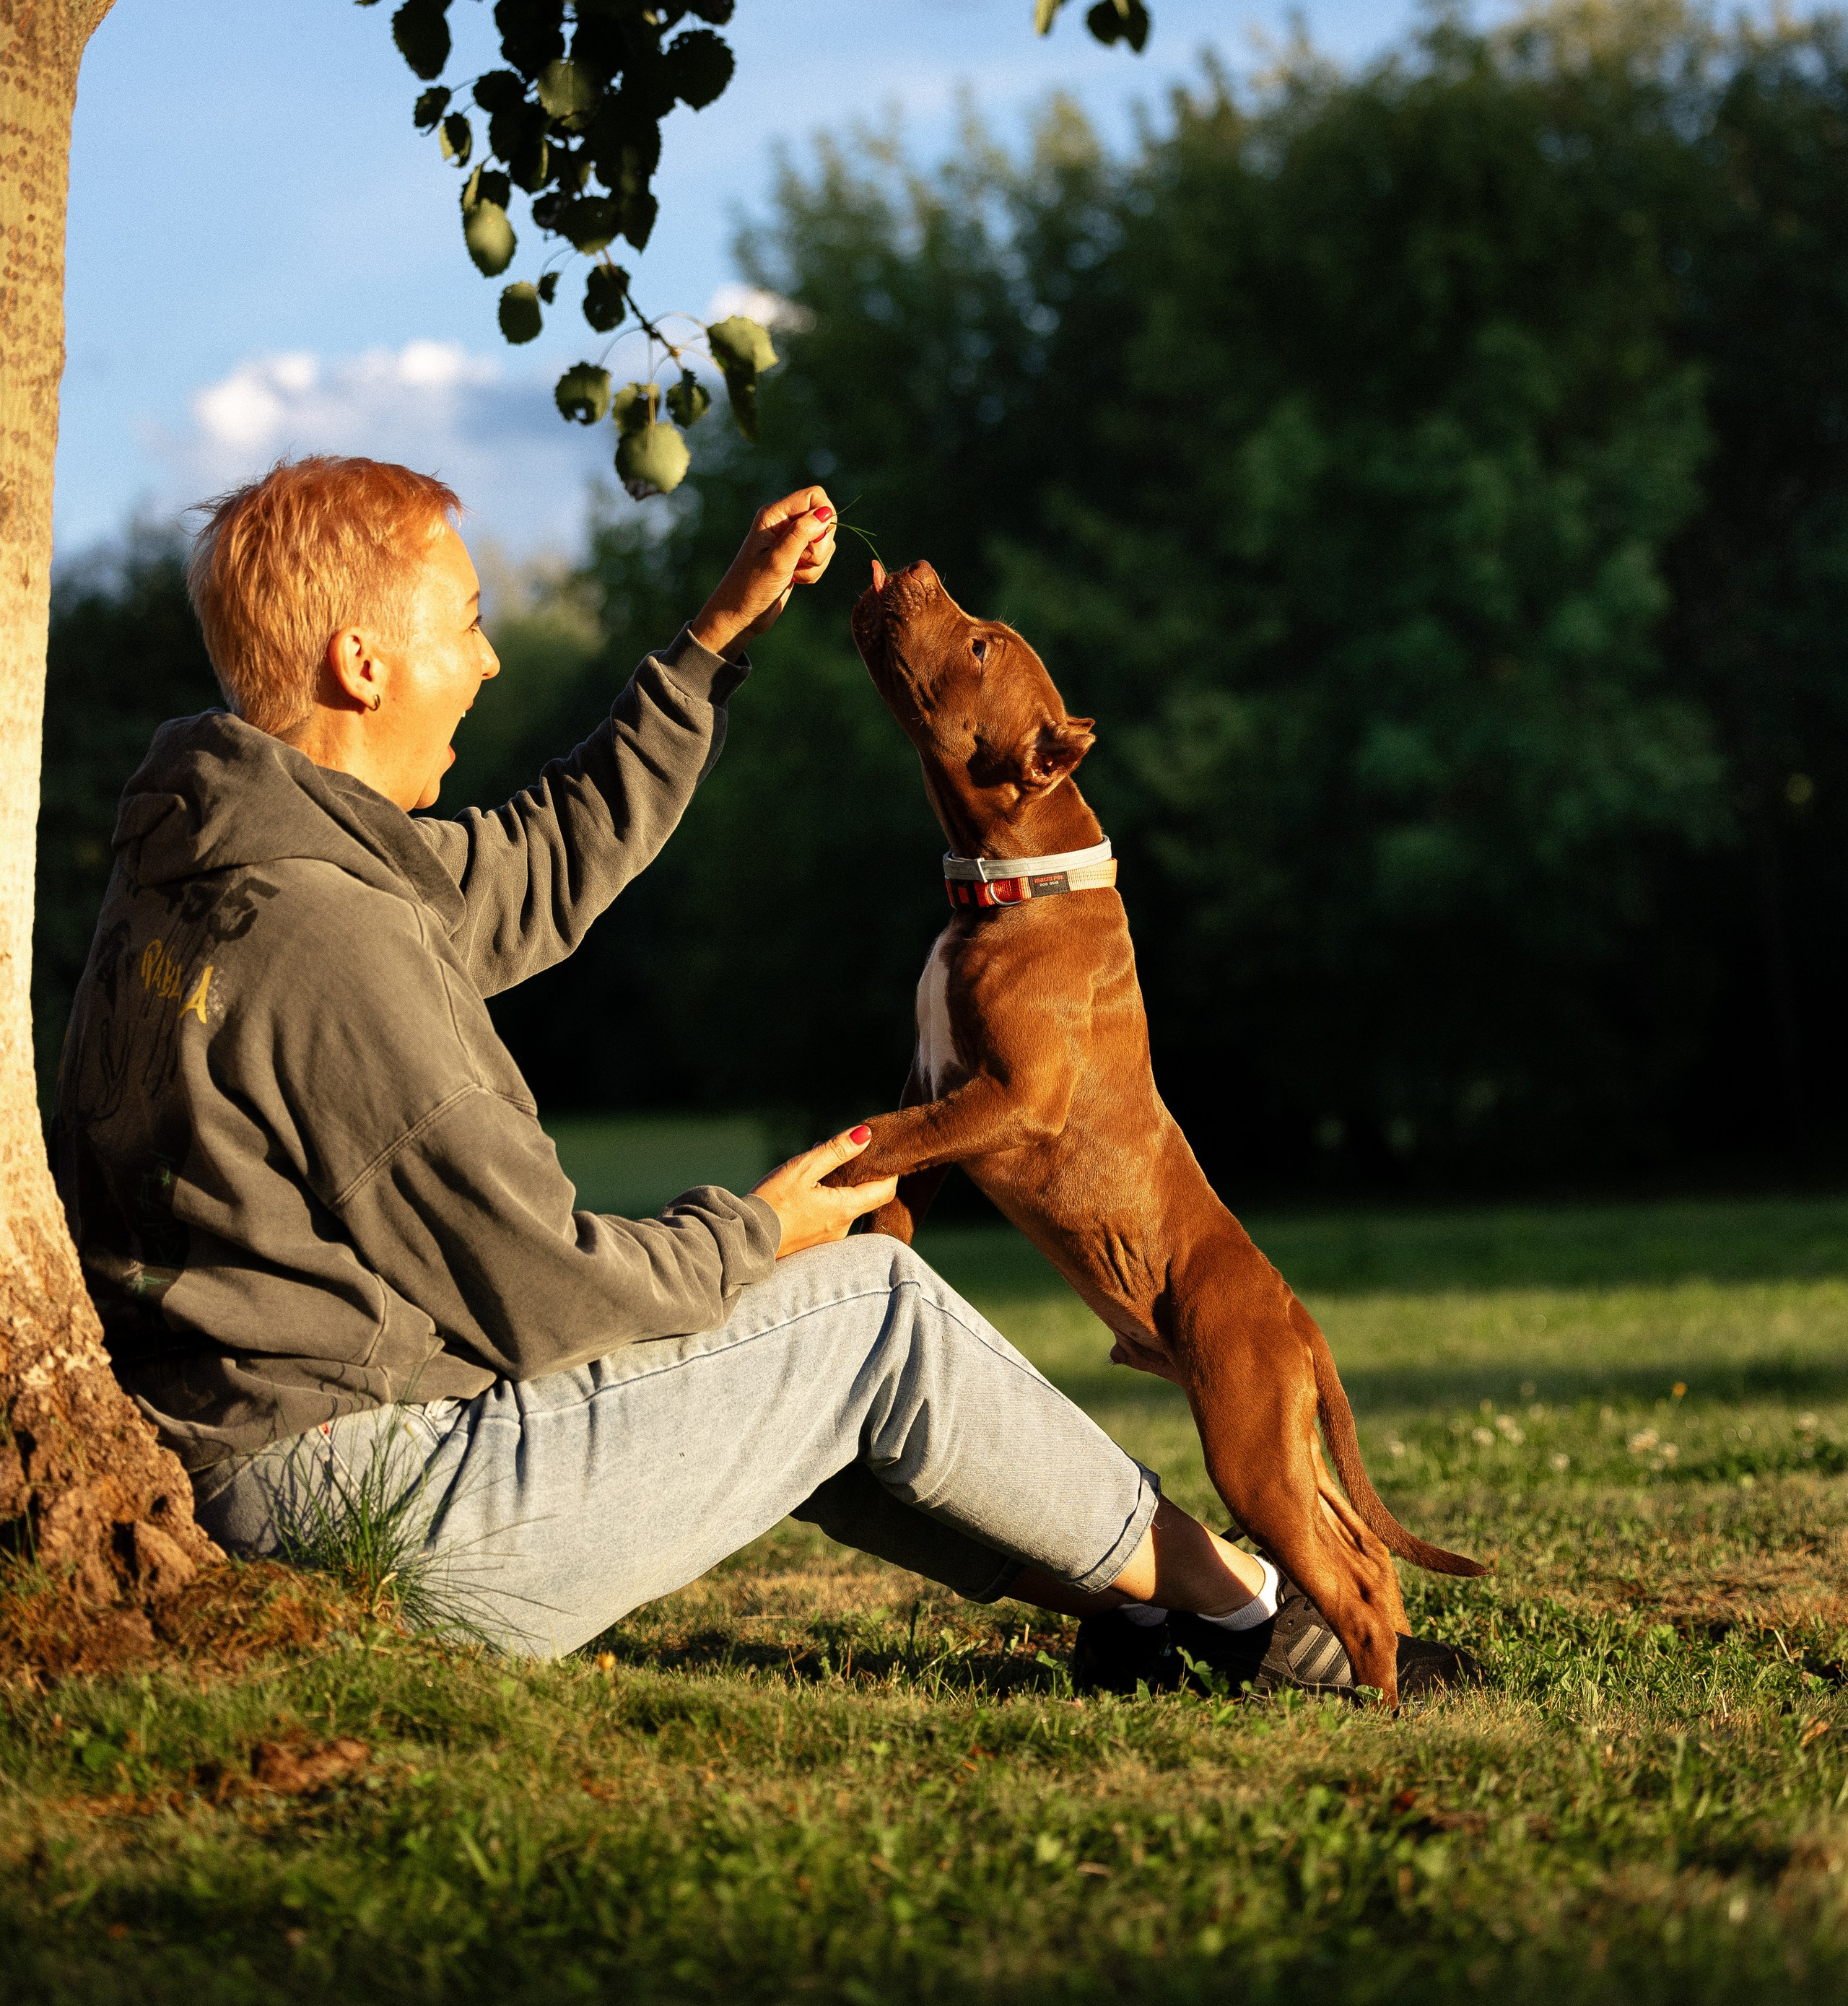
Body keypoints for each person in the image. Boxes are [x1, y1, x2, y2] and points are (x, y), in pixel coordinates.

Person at [52, 453, 1452, 1699]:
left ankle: (1144, 1604)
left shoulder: (209, 872)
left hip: (253, 1461)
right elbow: (544, 1287)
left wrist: (711, 640)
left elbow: (540, 863)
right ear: (363, 660)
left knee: (788, 1316)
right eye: (467, 624)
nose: (485, 663)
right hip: (371, 1504)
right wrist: (759, 1228)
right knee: (862, 1306)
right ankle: (1242, 1612)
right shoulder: (330, 934)